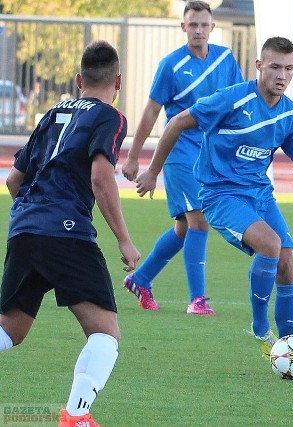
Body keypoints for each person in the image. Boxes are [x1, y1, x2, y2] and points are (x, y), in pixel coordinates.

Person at [135, 36, 293, 358]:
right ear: (259, 66)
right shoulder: (231, 100)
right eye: (274, 67)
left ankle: (290, 348)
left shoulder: (291, 117)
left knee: (286, 261)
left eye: (288, 68)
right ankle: (259, 328)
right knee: (270, 244)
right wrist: (153, 170)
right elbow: (175, 123)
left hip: (259, 195)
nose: (281, 75)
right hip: (220, 194)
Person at [0, 40, 140, 427]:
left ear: (79, 79)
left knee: (11, 329)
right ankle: (75, 416)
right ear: (119, 81)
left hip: (25, 227)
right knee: (105, 333)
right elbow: (100, 177)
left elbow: (14, 181)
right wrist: (124, 239)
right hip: (66, 232)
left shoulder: (51, 113)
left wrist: (35, 217)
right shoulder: (109, 116)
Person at [121, 0, 244, 315]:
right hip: (179, 151)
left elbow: (238, 101)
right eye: (193, 25)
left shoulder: (226, 60)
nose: (199, 30)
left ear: (212, 27)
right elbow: (151, 111)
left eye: (204, 25)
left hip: (210, 152)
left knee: (184, 227)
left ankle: (142, 279)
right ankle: (198, 300)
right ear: (183, 27)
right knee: (199, 220)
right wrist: (134, 157)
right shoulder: (171, 65)